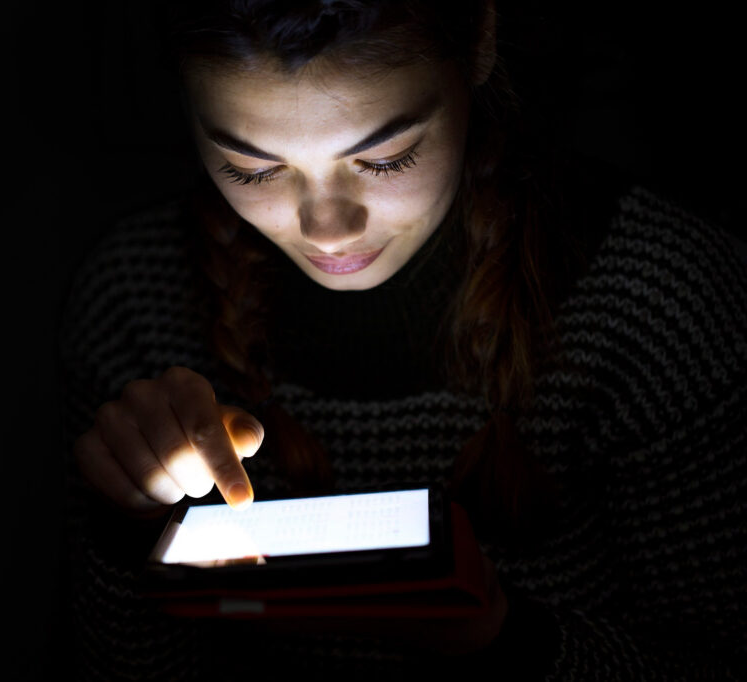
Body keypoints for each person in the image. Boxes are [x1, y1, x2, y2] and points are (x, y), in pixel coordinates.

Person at [60, 1, 747, 679]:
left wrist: (504, 641)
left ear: (479, 39)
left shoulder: (663, 302)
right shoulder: (135, 296)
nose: (327, 229)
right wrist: (130, 529)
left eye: (386, 158)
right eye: (253, 169)